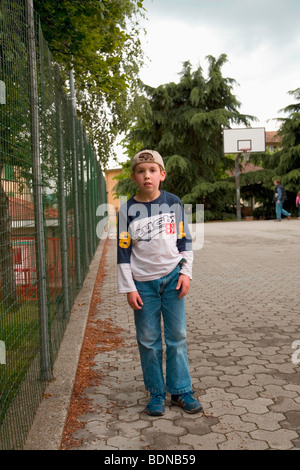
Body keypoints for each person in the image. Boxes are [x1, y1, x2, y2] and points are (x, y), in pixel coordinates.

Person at [117, 149, 203, 416]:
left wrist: (186, 273)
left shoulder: (174, 203)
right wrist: (129, 287)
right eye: (141, 171)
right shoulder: (127, 210)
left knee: (177, 336)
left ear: (162, 174)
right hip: (143, 286)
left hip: (173, 280)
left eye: (152, 170)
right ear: (134, 176)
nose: (147, 176)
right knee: (148, 339)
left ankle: (180, 390)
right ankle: (155, 393)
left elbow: (184, 241)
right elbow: (123, 252)